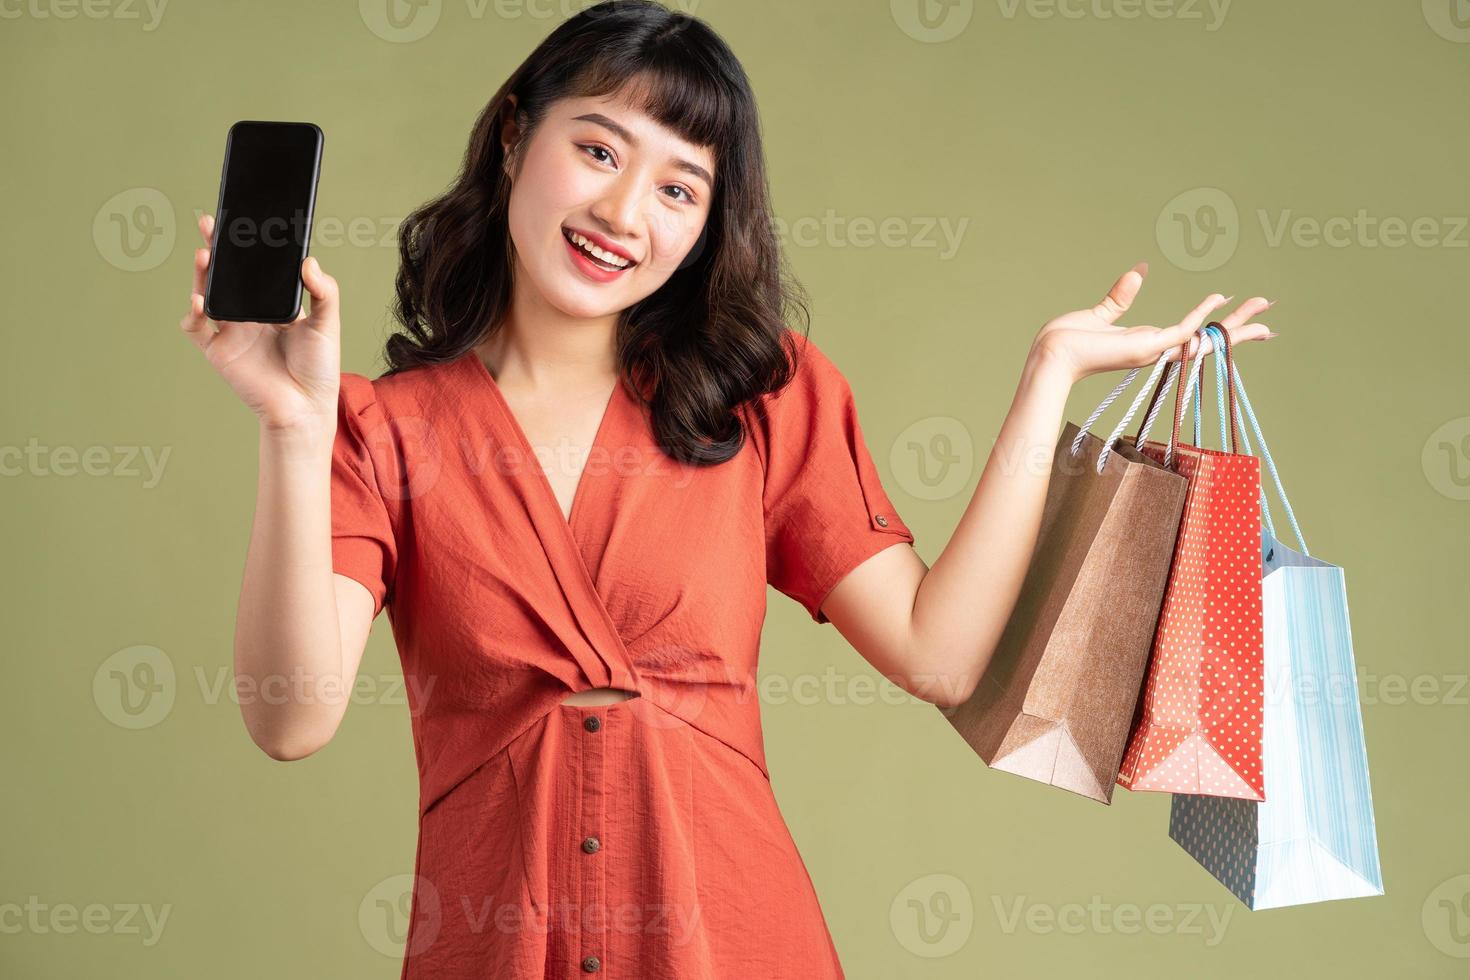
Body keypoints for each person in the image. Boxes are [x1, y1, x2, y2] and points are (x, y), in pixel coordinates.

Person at [179, 2, 1274, 976]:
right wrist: (290, 423)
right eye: (597, 147)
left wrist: (1048, 379)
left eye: (677, 187)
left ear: (706, 223)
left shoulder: (761, 399)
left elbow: (939, 655)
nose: (623, 210)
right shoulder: (377, 429)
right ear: (517, 133)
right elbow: (290, 719)